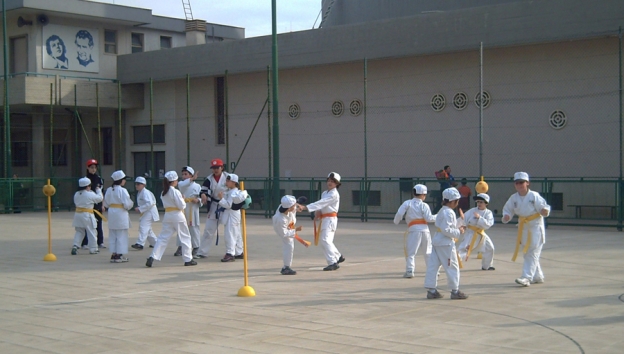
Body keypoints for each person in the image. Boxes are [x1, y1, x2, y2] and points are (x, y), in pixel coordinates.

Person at [502, 172, 550, 287]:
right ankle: (538, 276)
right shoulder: (513, 198)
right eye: (517, 183)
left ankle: (526, 277)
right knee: (528, 253)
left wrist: (544, 211)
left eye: (522, 182)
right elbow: (508, 209)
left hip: (535, 227)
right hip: (523, 228)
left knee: (532, 252)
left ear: (527, 183)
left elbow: (544, 207)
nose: (519, 185)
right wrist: (507, 216)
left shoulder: (534, 196)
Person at [424, 187, 468, 299]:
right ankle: (455, 290)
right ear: (453, 201)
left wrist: (458, 226)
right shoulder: (449, 212)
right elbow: (446, 229)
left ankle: (431, 290)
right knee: (452, 266)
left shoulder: (442, 210)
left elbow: (445, 227)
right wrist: (459, 231)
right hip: (445, 243)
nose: (457, 203)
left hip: (437, 241)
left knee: (433, 266)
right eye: (457, 201)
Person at [146, 171, 197, 267]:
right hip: (177, 215)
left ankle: (152, 256)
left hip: (168, 215)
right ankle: (188, 259)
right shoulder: (175, 191)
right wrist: (183, 199)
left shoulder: (163, 192)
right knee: (185, 237)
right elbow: (182, 205)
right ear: (174, 181)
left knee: (162, 238)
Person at [299, 172, 345, 271]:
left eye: (333, 181)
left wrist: (306, 207)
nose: (330, 183)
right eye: (329, 180)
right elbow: (322, 205)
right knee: (326, 240)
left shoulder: (334, 194)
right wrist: (318, 212)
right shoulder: (325, 193)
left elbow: (322, 202)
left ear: (337, 184)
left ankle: (333, 262)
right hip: (325, 219)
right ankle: (338, 256)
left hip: (330, 219)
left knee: (325, 240)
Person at [393, 184, 436, 278]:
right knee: (428, 251)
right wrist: (438, 216)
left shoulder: (407, 203)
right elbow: (429, 218)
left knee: (411, 252)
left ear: (413, 193)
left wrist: (396, 221)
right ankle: (432, 271)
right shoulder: (424, 205)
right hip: (425, 230)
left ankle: (410, 270)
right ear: (423, 195)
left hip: (413, 230)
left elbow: (399, 213)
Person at [196, 158, 230, 259]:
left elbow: (235, 188)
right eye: (214, 168)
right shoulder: (209, 179)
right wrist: (203, 195)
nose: (215, 170)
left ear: (222, 167)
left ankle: (236, 252)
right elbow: (203, 190)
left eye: (217, 167)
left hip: (226, 206)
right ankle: (202, 252)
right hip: (214, 205)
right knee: (208, 230)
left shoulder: (228, 177)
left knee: (231, 230)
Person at [457, 193, 495, 270]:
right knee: (464, 249)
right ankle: (454, 262)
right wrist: (461, 226)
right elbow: (463, 219)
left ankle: (486, 266)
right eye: (478, 202)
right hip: (471, 233)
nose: (479, 204)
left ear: (486, 203)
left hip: (481, 233)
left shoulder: (488, 213)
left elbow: (488, 224)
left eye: (481, 202)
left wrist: (479, 218)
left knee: (490, 248)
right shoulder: (472, 211)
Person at [216, 174, 248, 262]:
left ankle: (230, 253)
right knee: (236, 234)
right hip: (234, 215)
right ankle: (239, 251)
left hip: (231, 215)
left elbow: (228, 205)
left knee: (230, 234)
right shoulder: (231, 191)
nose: (226, 182)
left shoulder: (233, 193)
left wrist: (221, 199)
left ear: (233, 182)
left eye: (228, 181)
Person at [103, 170, 134, 263]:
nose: (125, 181)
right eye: (124, 179)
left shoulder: (109, 189)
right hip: (121, 213)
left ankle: (114, 253)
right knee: (121, 234)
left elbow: (106, 203)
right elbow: (127, 204)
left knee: (113, 234)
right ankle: (119, 255)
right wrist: (131, 204)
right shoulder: (123, 190)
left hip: (112, 213)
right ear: (121, 180)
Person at [173, 166, 202, 258]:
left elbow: (201, 197)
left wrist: (198, 200)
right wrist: (192, 179)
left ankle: (196, 247)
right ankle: (181, 246)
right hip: (183, 208)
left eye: (186, 174)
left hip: (192, 209)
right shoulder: (181, 184)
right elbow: (183, 184)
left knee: (194, 228)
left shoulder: (197, 186)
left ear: (191, 175)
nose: (184, 176)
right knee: (181, 227)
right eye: (183, 174)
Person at [71, 177, 103, 255]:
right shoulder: (90, 194)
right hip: (87, 215)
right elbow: (100, 198)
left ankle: (75, 246)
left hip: (78, 215)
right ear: (87, 186)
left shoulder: (77, 194)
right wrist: (99, 190)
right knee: (92, 232)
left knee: (79, 231)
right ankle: (93, 249)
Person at [273, 195, 303, 275]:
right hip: (283, 229)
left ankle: (286, 266)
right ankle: (286, 267)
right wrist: (295, 230)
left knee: (290, 245)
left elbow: (293, 207)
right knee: (289, 245)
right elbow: (284, 233)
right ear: (289, 208)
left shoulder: (285, 207)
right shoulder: (280, 219)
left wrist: (297, 207)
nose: (295, 205)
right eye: (294, 205)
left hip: (289, 224)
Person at [81, 159, 106, 249]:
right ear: (87, 168)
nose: (93, 169)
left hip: (97, 205)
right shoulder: (84, 180)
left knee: (99, 224)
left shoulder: (99, 179)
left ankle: (100, 242)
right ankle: (85, 243)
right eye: (91, 167)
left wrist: (102, 205)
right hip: (88, 206)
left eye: (95, 168)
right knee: (87, 225)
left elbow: (102, 193)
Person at [131, 176, 159, 250]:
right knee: (148, 229)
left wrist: (140, 208)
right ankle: (155, 243)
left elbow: (149, 203)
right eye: (136, 184)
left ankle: (140, 243)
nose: (137, 185)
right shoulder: (140, 192)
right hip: (146, 212)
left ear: (143, 185)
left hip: (150, 212)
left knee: (143, 227)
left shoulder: (145, 192)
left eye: (139, 184)